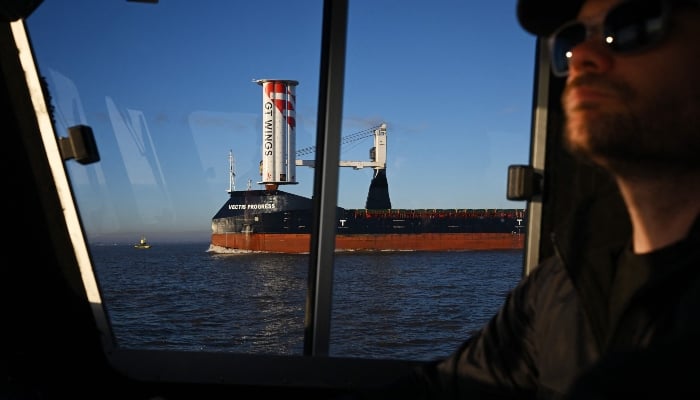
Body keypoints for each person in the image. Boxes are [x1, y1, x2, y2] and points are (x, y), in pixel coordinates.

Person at [345, 0, 700, 398]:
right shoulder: (563, 280)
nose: (581, 55)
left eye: (633, 24)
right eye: (570, 39)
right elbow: (452, 384)